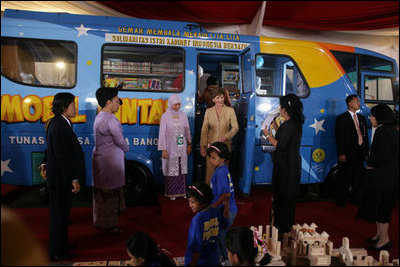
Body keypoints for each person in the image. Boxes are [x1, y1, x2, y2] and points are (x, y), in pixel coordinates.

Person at [46, 92, 85, 260]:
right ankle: (57, 253)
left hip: (59, 178)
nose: (75, 108)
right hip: (61, 180)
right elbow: (62, 156)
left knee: (63, 215)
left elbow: (51, 149)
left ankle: (62, 245)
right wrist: (73, 179)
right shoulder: (59, 125)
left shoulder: (59, 122)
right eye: (73, 105)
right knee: (59, 216)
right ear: (64, 107)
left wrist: (44, 161)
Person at [357, 104, 398, 251]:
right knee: (380, 207)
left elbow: (384, 155)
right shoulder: (390, 130)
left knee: (382, 209)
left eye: (372, 116)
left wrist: (370, 163)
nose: (370, 118)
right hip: (387, 177)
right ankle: (379, 235)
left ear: (379, 117)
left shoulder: (383, 132)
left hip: (383, 178)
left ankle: (385, 239)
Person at [264, 94, 304, 235]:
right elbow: (281, 135)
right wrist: (273, 123)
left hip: (286, 167)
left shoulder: (289, 126)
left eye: (281, 107)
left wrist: (267, 134)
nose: (279, 109)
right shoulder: (293, 123)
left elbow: (280, 145)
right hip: (290, 164)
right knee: (286, 199)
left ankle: (281, 230)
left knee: (282, 197)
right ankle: (284, 227)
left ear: (285, 109)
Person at [92, 87, 129, 234]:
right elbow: (120, 141)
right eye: (116, 101)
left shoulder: (99, 116)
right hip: (111, 162)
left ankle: (100, 221)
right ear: (108, 102)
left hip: (100, 159)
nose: (118, 104)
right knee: (110, 194)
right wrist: (126, 148)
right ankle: (110, 226)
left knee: (101, 193)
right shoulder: (112, 120)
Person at [335, 94, 369, 206]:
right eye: (356, 101)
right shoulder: (342, 118)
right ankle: (341, 200)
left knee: (358, 178)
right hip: (348, 153)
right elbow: (339, 136)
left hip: (360, 152)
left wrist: (366, 151)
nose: (359, 103)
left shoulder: (361, 118)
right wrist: (341, 153)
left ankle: (355, 198)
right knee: (345, 177)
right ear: (350, 103)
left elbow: (364, 136)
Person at [206, 142, 238, 262]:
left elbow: (226, 195)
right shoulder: (222, 169)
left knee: (220, 236)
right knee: (218, 235)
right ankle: (222, 257)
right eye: (210, 157)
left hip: (227, 210)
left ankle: (227, 260)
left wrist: (215, 207)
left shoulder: (220, 172)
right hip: (225, 209)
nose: (210, 160)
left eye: (214, 158)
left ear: (223, 158)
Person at [200, 87, 239, 185]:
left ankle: (222, 196)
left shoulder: (230, 111)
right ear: (213, 99)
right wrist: (202, 146)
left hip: (225, 147)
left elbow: (235, 128)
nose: (220, 100)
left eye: (222, 97)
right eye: (217, 98)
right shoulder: (208, 111)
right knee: (210, 173)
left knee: (223, 173)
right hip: (211, 147)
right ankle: (209, 194)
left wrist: (226, 137)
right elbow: (204, 130)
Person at [184, 183, 229, 266]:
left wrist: (192, 263)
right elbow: (225, 224)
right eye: (189, 201)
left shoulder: (197, 220)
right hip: (212, 258)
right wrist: (226, 205)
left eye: (193, 202)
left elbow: (196, 248)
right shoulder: (216, 211)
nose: (190, 205)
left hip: (199, 261)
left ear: (203, 202)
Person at [158, 94, 192, 200]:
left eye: (179, 104)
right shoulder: (165, 116)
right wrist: (163, 149)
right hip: (170, 147)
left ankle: (182, 192)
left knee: (181, 168)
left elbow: (187, 130)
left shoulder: (183, 115)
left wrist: (189, 143)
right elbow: (162, 133)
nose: (177, 107)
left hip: (182, 147)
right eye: (175, 105)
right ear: (171, 104)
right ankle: (171, 193)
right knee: (171, 168)